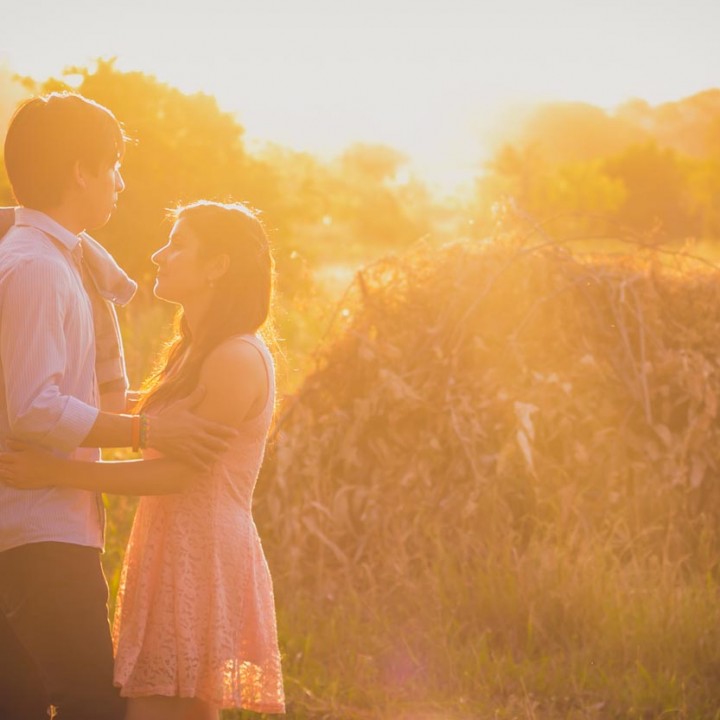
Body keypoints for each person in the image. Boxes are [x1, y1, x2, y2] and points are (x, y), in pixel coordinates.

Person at [1, 200, 286, 720]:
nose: (160, 254)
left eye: (177, 245)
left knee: (158, 709)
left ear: (217, 267)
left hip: (201, 551)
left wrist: (57, 472)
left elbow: (178, 474)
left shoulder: (235, 358)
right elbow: (144, 414)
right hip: (171, 546)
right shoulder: (194, 351)